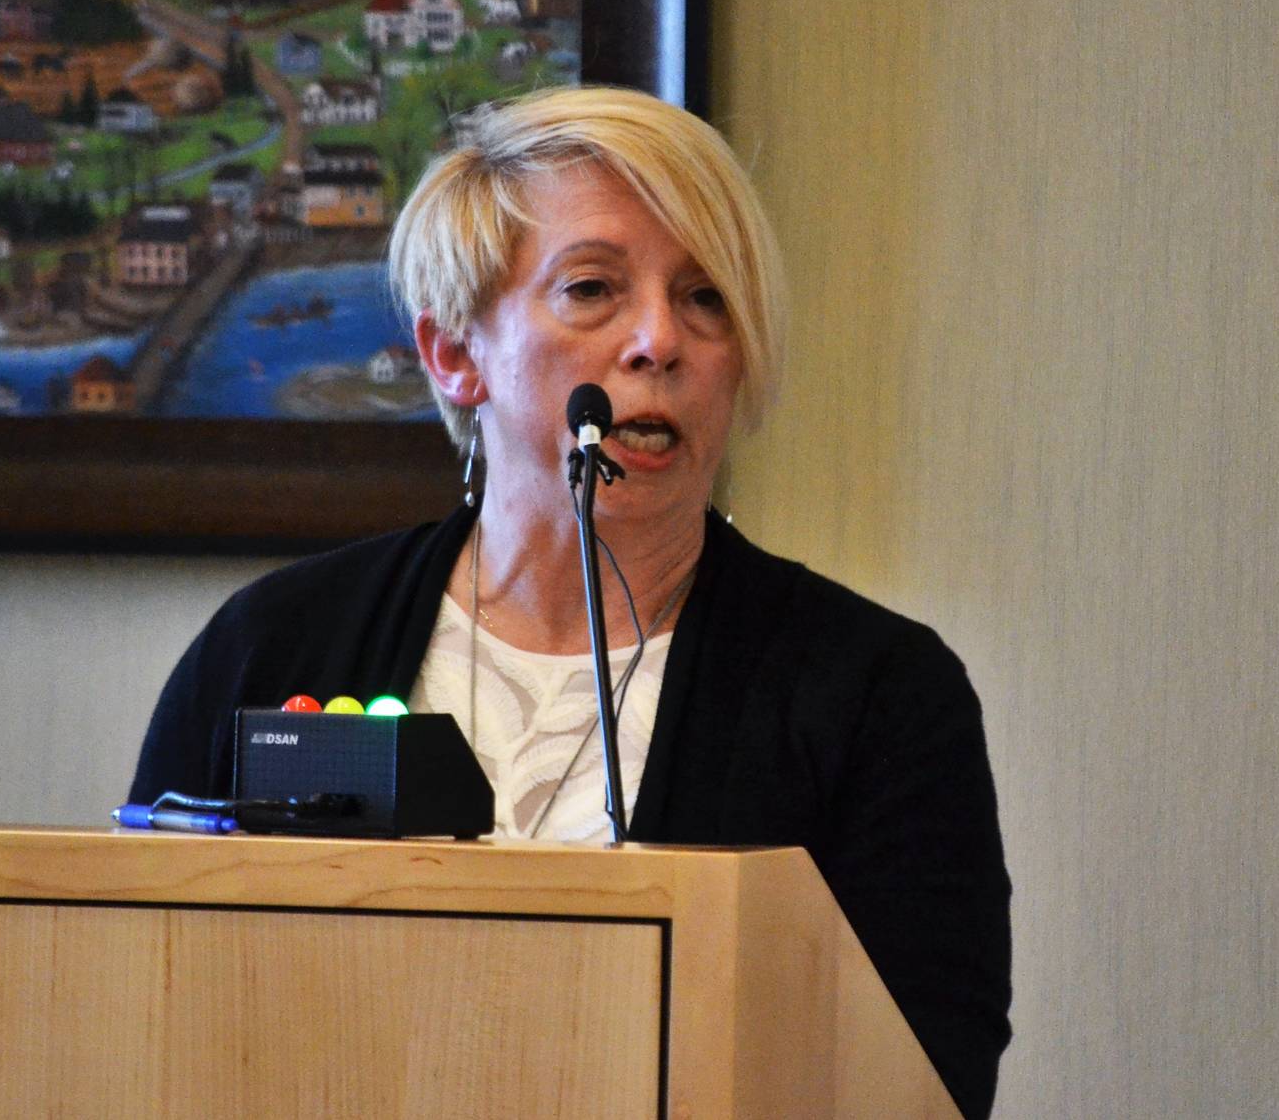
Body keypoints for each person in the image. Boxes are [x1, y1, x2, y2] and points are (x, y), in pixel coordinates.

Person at [128, 85, 1012, 1117]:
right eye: (592, 289)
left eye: (705, 298)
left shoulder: (877, 694)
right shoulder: (274, 647)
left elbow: (928, 1077)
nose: (659, 341)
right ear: (455, 353)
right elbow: (151, 999)